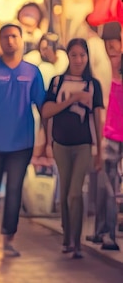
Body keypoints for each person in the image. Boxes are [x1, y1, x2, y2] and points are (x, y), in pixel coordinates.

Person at [0, 24, 46, 257]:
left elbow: (43, 107)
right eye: (5, 37)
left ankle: (7, 239)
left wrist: (46, 138)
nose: (10, 40)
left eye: (14, 36)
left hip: (22, 142)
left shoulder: (33, 72)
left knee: (14, 189)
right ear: (0, 41)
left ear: (21, 40)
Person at [41, 38, 104, 258]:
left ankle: (76, 243)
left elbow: (98, 118)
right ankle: (67, 237)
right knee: (65, 191)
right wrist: (74, 99)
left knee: (75, 194)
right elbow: (46, 112)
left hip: (84, 145)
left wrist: (100, 152)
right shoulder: (57, 82)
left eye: (82, 55)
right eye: (74, 54)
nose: (78, 59)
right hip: (61, 145)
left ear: (87, 58)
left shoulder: (93, 85)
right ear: (68, 56)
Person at [89, 31, 123, 251]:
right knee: (106, 185)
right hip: (108, 134)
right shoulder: (100, 68)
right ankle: (104, 233)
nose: (111, 47)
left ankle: (105, 232)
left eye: (114, 42)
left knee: (110, 186)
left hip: (117, 134)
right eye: (107, 43)